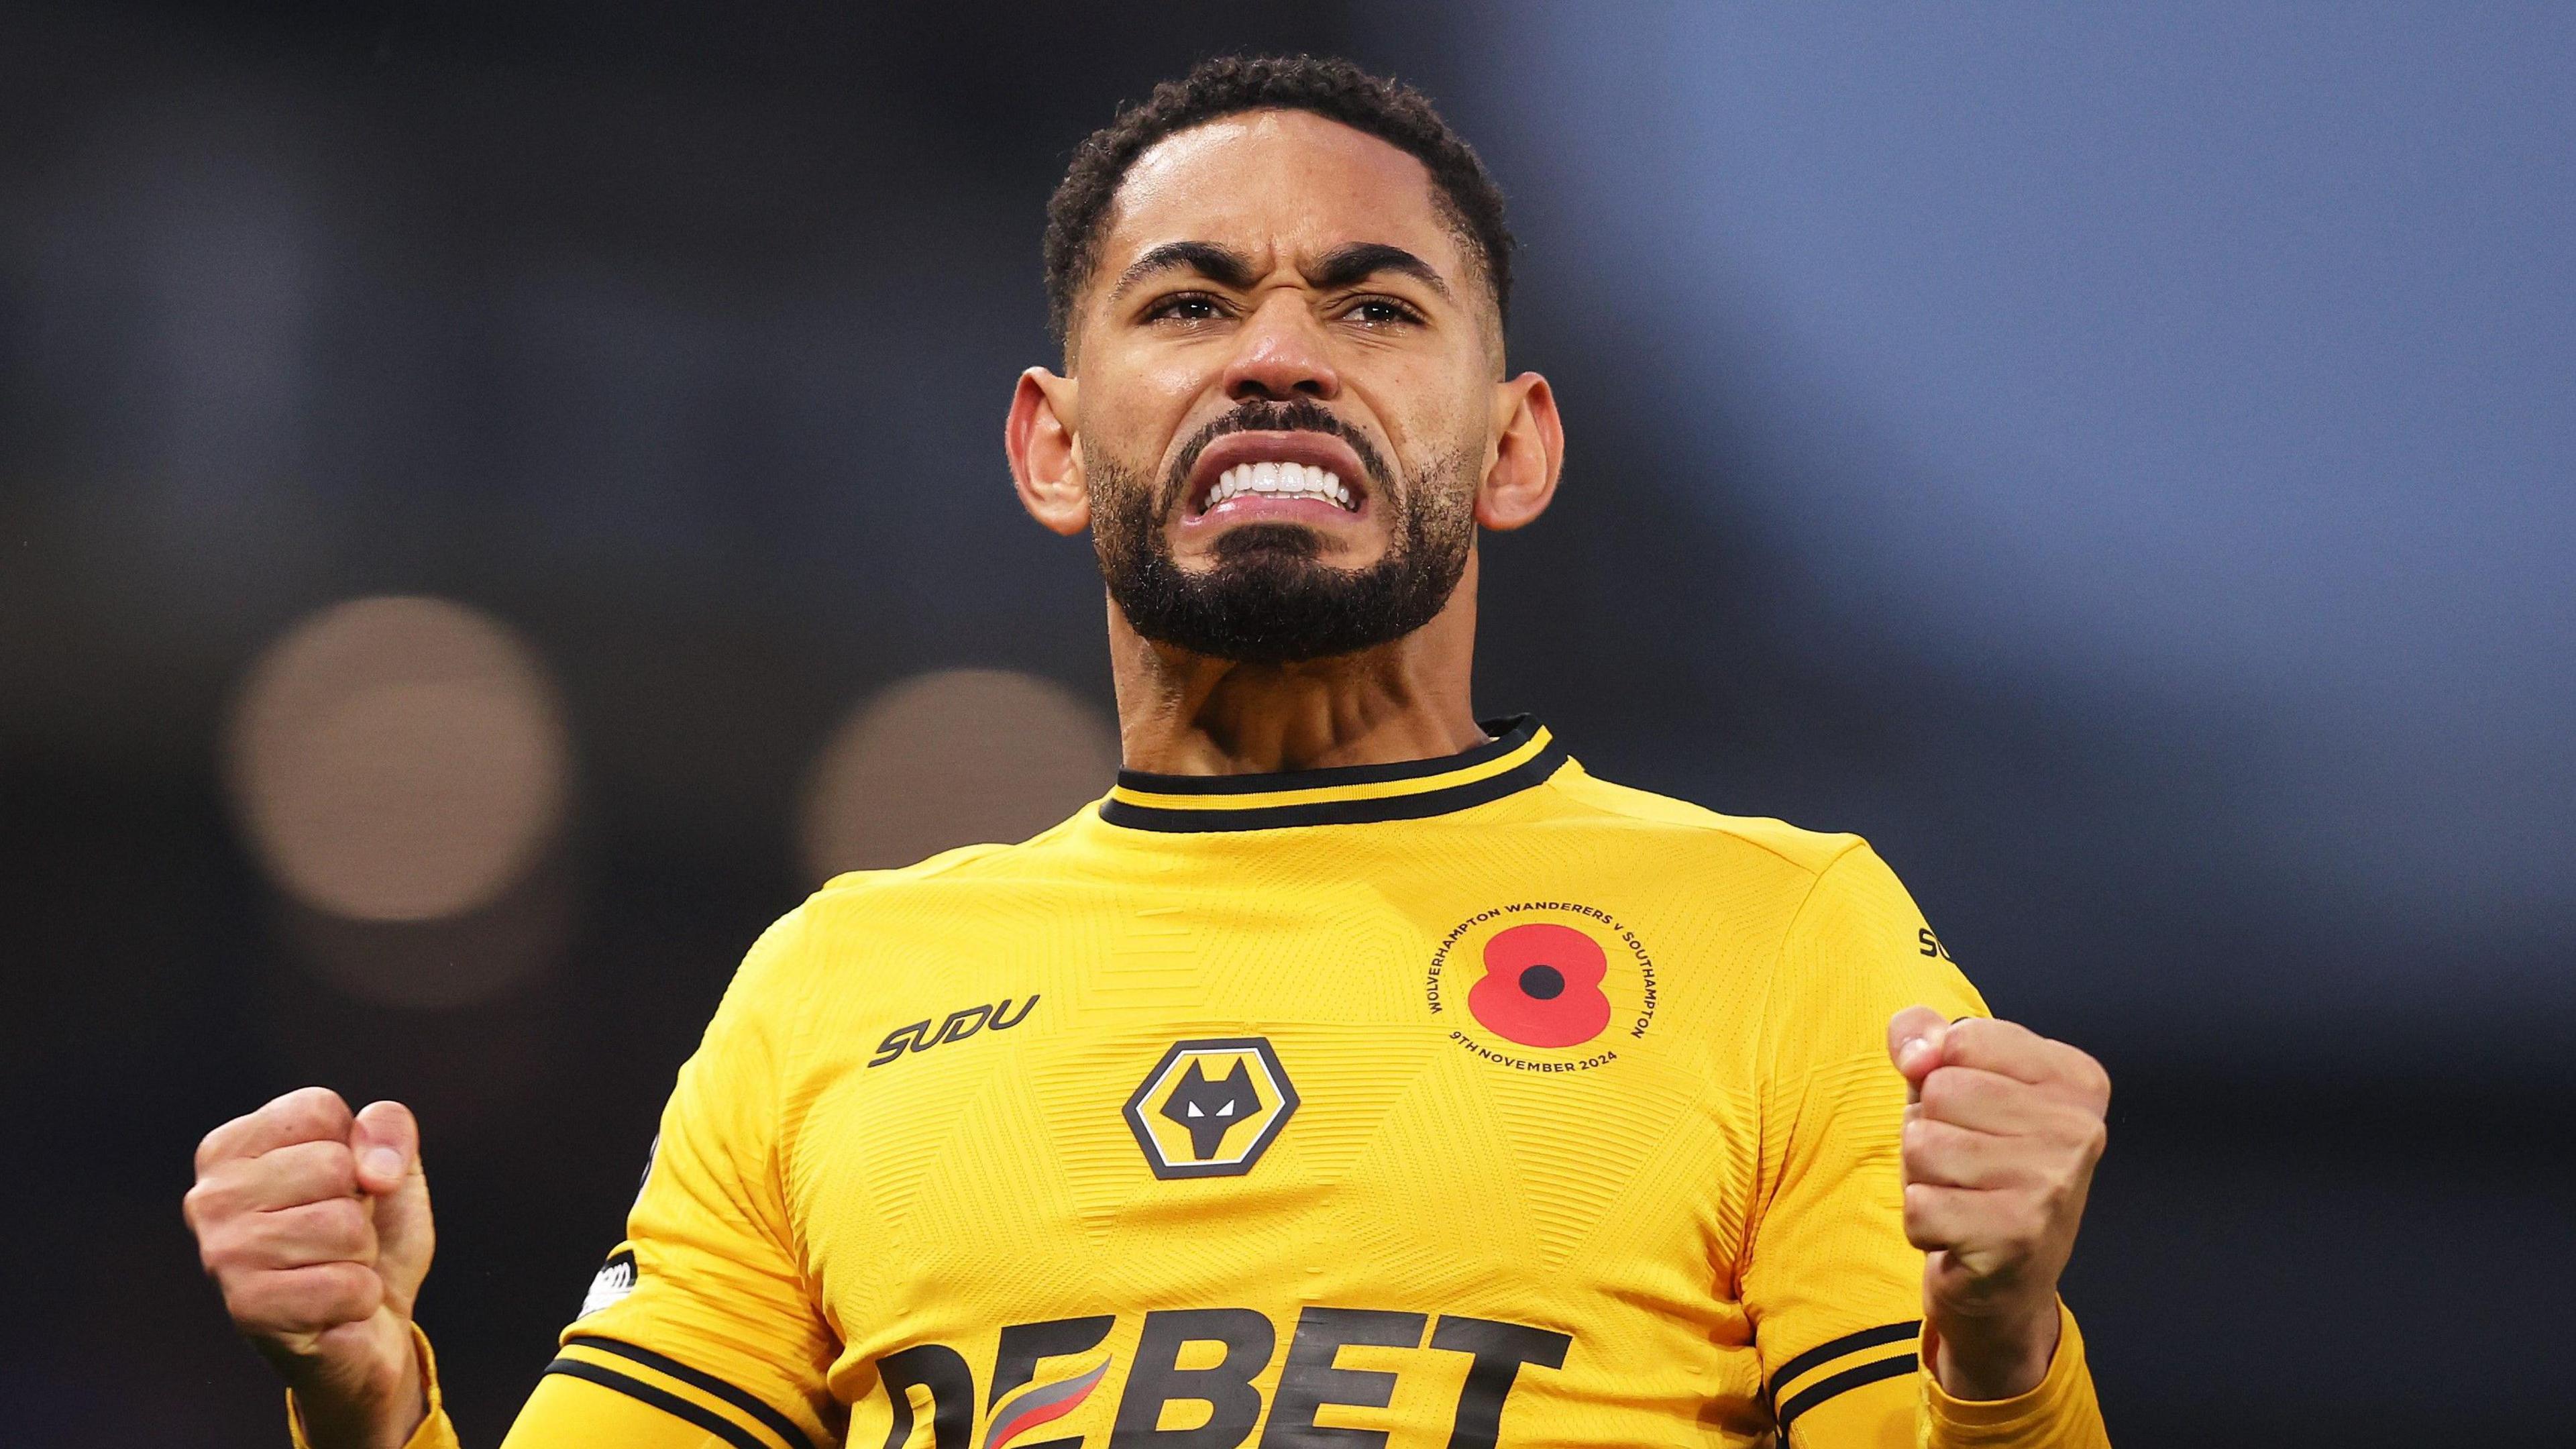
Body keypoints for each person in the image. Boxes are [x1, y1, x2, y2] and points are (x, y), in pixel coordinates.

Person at [184, 55, 2113, 1449]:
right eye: (1189, 302)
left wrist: (2007, 1354)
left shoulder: (1783, 939)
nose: (1280, 353)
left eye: (1374, 303)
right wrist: (367, 1402)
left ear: (1515, 445)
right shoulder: (836, 987)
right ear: (1051, 442)